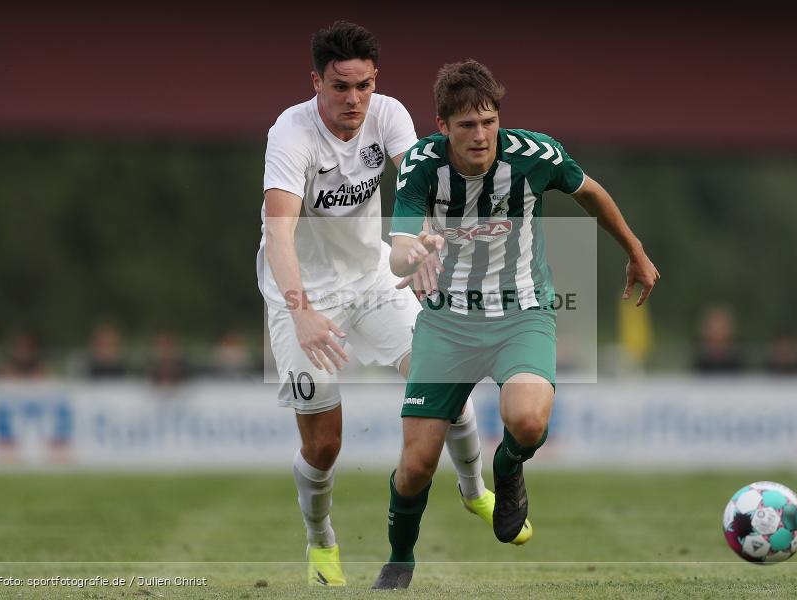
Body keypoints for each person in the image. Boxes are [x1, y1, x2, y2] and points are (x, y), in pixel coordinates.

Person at [257, 24, 527, 587]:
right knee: (324, 445)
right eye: (340, 86)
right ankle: (321, 541)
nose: (354, 99)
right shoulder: (290, 134)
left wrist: (422, 241)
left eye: (364, 85)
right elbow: (278, 232)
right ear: (317, 82)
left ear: (375, 80)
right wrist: (300, 311)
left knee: (444, 379)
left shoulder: (388, 115)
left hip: (374, 277)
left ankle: (475, 490)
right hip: (303, 293)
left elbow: (423, 185)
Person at [372, 60, 659, 589]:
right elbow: (398, 252)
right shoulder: (421, 164)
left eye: (488, 121)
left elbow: (592, 193)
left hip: (521, 314)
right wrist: (413, 251)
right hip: (448, 323)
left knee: (527, 422)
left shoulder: (534, 154)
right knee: (415, 467)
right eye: (466, 125)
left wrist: (635, 252)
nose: (480, 135)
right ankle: (400, 560)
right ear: (442, 126)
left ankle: (507, 468)